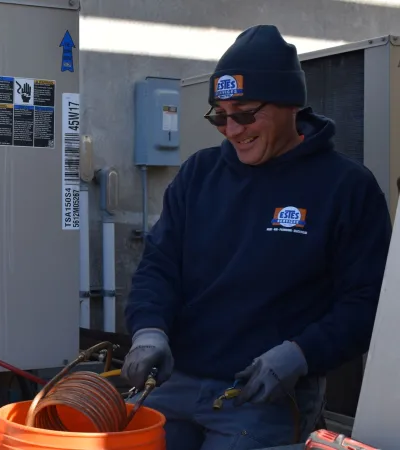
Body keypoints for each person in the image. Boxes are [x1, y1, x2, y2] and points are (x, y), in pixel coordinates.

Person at [121, 24, 392, 450]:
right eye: (219, 115)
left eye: (245, 113)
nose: (231, 129)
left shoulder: (346, 188)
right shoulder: (199, 174)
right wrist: (149, 331)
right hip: (176, 383)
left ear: (289, 105)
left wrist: (301, 354)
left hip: (263, 396)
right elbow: (159, 266)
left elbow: (367, 302)